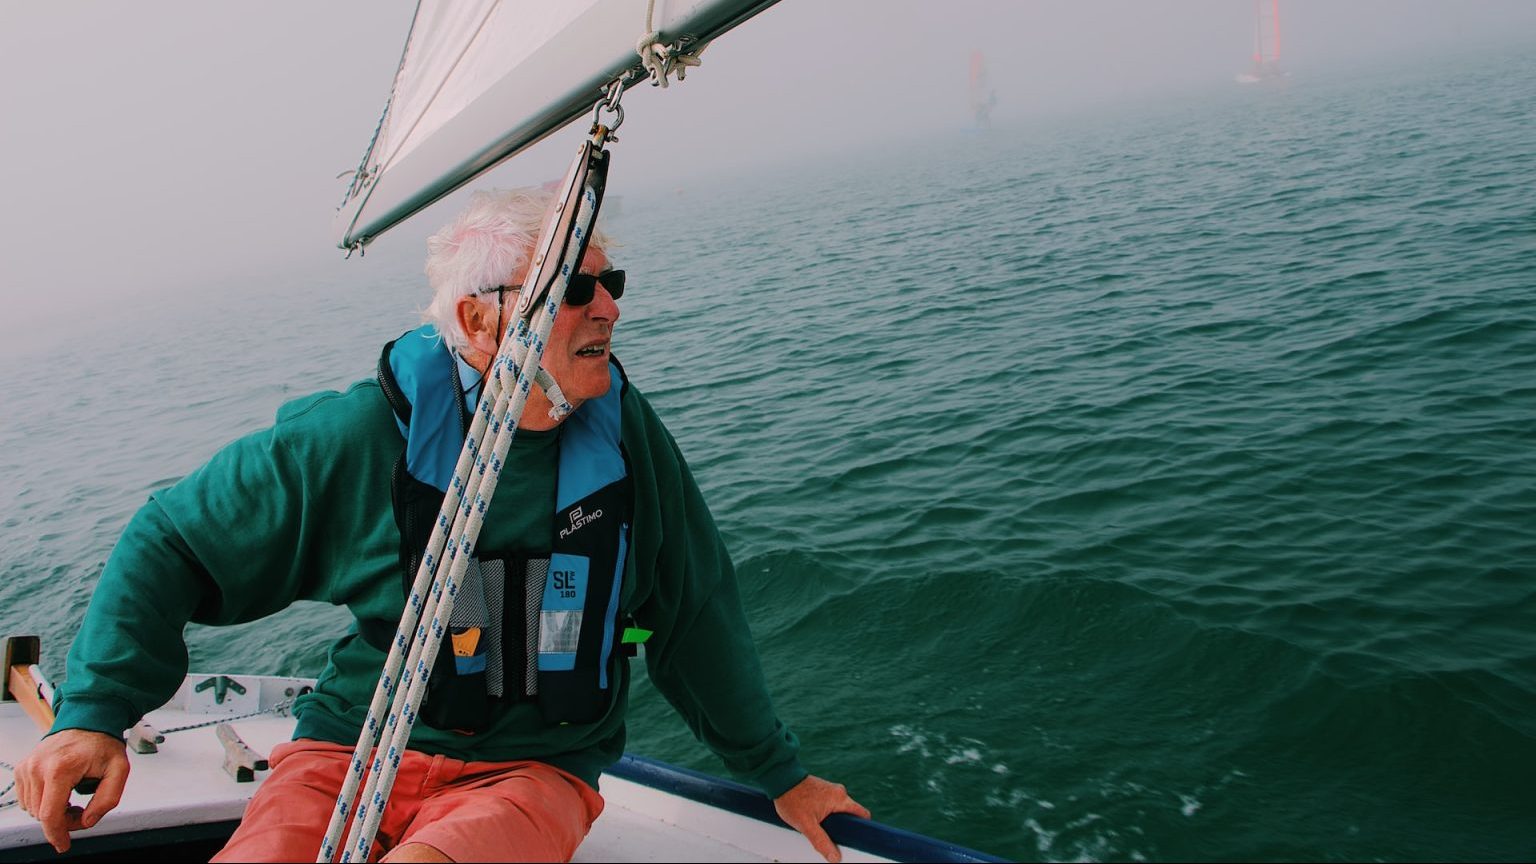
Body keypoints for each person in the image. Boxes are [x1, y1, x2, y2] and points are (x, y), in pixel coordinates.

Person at [14, 186, 869, 863]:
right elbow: (173, 541)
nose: (607, 307)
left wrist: (778, 775)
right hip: (347, 751)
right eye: (575, 289)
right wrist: (94, 711)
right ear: (475, 319)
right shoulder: (358, 439)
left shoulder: (628, 446)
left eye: (613, 284)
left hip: (532, 772)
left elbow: (695, 614)